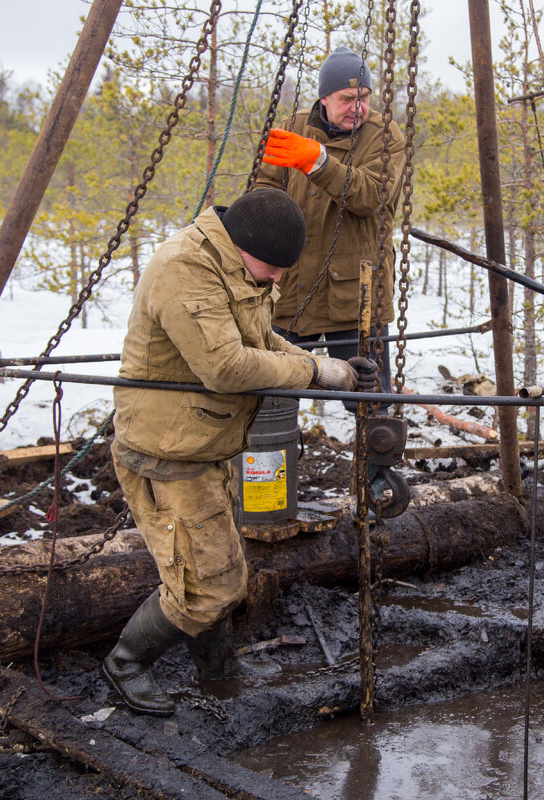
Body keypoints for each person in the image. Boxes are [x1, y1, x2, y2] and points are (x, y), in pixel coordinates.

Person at [102, 188, 378, 716]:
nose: (276, 279)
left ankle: (218, 672)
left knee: (215, 568)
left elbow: (261, 340)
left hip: (205, 445)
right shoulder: (184, 267)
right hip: (166, 453)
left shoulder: (239, 264)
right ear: (243, 244)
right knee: (209, 584)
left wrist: (327, 369)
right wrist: (319, 371)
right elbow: (226, 366)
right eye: (272, 267)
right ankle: (125, 663)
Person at [254, 46, 406, 413]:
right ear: (325, 97)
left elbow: (372, 196)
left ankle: (373, 471)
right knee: (269, 398)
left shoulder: (384, 137)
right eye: (347, 98)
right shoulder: (293, 127)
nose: (358, 106)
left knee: (368, 404)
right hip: (291, 291)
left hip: (355, 297)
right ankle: (268, 470)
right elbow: (263, 189)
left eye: (364, 97)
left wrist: (318, 162)